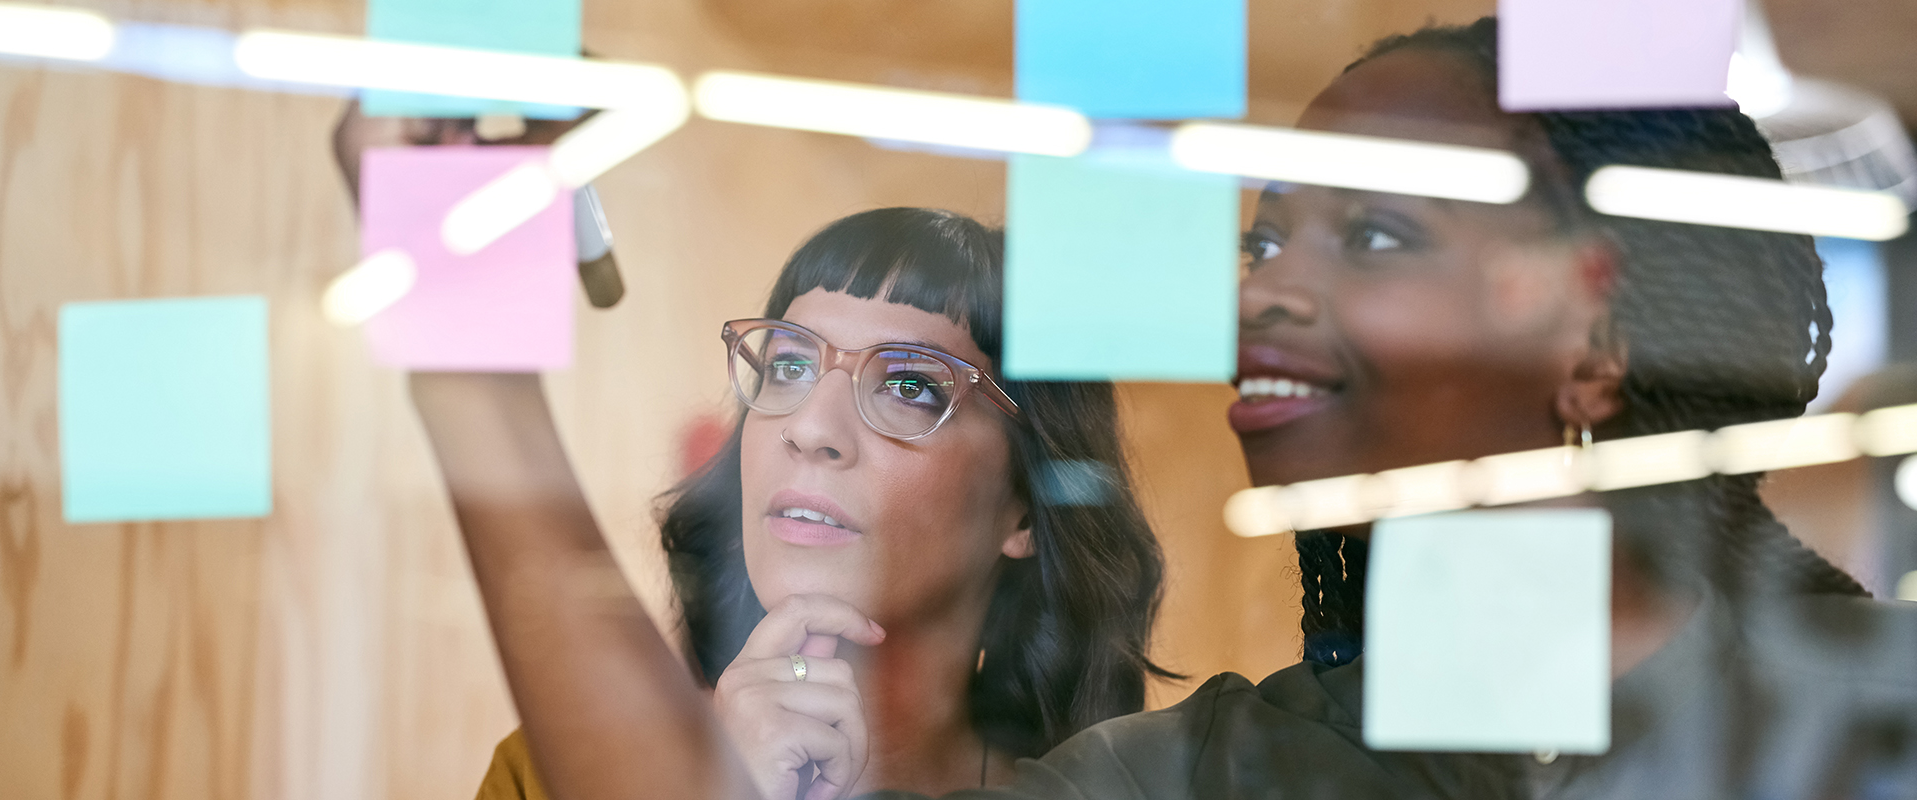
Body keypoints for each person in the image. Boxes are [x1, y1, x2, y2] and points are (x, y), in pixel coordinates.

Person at [422, 16, 1917, 800]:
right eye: (1263, 237)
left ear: (1589, 338)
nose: (1267, 288)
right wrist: (454, 315)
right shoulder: (1230, 774)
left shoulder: (1862, 709)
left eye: (1375, 235)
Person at [428, 208, 1175, 800]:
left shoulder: (1103, 791)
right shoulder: (558, 774)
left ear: (1023, 509)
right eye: (788, 364)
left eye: (910, 385)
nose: (811, 428)